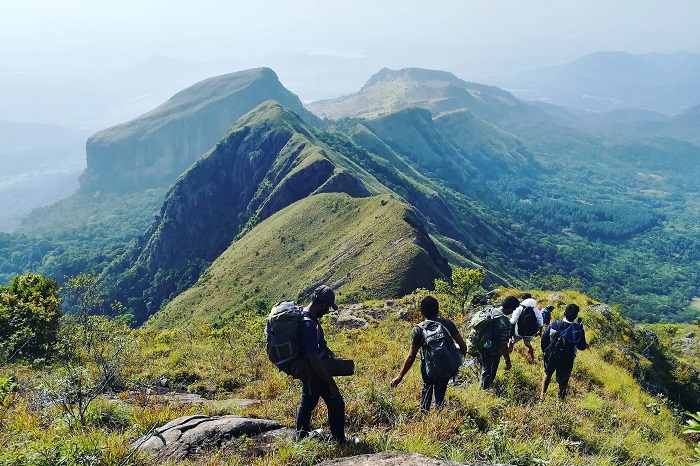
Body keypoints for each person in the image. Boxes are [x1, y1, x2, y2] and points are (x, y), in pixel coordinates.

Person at [391, 296, 467, 413]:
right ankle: (439, 412)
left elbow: (411, 356)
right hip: (447, 364)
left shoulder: (419, 329)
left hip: (429, 367)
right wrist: (457, 361)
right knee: (441, 391)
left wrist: (400, 376)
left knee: (427, 388)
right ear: (437, 310)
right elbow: (463, 345)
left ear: (422, 312)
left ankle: (424, 413)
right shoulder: (447, 324)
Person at [295, 285, 346, 442]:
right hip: (314, 372)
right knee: (335, 402)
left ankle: (300, 438)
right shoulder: (308, 324)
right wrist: (331, 382)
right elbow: (313, 358)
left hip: (313, 371)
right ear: (323, 305)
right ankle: (339, 441)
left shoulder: (307, 316)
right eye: (328, 307)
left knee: (308, 402)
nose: (328, 311)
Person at [470, 295, 519, 390]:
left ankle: (482, 385)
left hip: (477, 344)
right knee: (488, 371)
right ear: (510, 308)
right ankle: (483, 391)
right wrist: (507, 361)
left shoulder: (489, 311)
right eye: (513, 310)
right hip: (492, 350)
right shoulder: (505, 322)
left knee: (484, 365)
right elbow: (503, 344)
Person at [540, 303, 588, 400]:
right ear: (575, 316)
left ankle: (542, 395)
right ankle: (560, 400)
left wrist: (546, 352)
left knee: (548, 374)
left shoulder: (554, 324)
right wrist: (580, 329)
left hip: (551, 356)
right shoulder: (577, 329)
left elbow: (544, 340)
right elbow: (581, 347)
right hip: (567, 359)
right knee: (563, 382)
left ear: (564, 313)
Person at [508, 293, 544, 363]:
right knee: (528, 344)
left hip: (518, 331)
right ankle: (532, 358)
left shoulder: (519, 308)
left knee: (511, 341)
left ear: (523, 299)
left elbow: (513, 320)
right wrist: (540, 331)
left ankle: (508, 356)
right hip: (530, 332)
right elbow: (540, 322)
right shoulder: (535, 309)